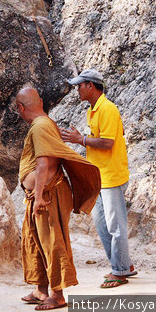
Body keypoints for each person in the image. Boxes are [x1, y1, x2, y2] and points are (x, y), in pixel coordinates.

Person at [16, 87, 100, 311]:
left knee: (52, 241)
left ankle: (58, 295)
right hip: (42, 192)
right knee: (36, 240)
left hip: (48, 193)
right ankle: (40, 290)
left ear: (21, 108)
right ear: (41, 102)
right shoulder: (44, 124)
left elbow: (45, 163)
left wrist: (40, 195)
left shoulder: (41, 126)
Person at [59, 68, 136, 288]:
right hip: (99, 175)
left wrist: (80, 139)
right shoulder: (92, 111)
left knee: (115, 225)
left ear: (90, 86)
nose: (77, 90)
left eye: (79, 86)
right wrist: (81, 139)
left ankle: (119, 272)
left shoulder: (108, 109)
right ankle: (123, 265)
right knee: (102, 224)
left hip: (111, 175)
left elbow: (107, 142)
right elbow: (97, 140)